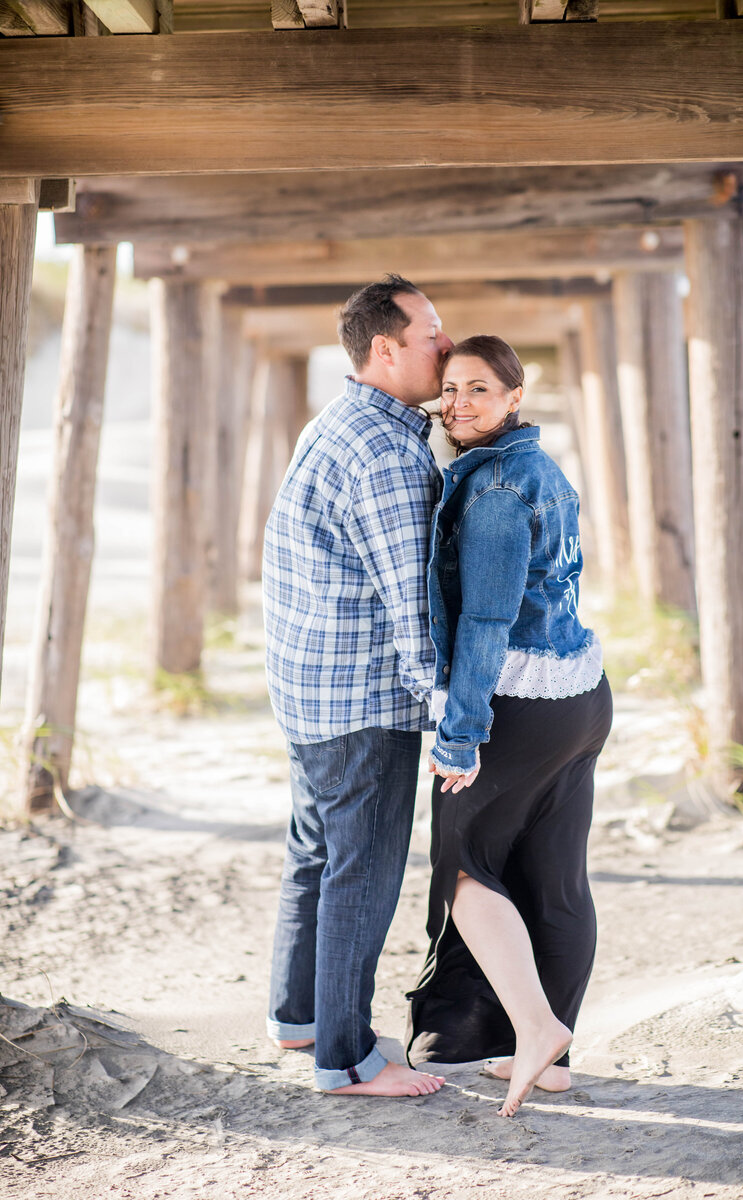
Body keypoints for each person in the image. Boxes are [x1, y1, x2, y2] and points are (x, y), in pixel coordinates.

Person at [406, 335, 613, 1118]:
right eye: (450, 389)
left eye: (480, 390)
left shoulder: (495, 491)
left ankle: (534, 1029)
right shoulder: (538, 468)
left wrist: (460, 734)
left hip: (519, 702)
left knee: (461, 869)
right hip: (579, 695)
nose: (458, 404)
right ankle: (555, 1059)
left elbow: (486, 624)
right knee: (556, 880)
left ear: (515, 396)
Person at [262, 275, 453, 1097]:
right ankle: (345, 1059)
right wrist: (449, 715)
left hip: (310, 687)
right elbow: (413, 604)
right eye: (432, 334)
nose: (447, 345)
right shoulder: (386, 455)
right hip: (364, 701)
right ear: (385, 349)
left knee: (316, 856)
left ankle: (299, 1018)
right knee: (362, 876)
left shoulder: (339, 421)